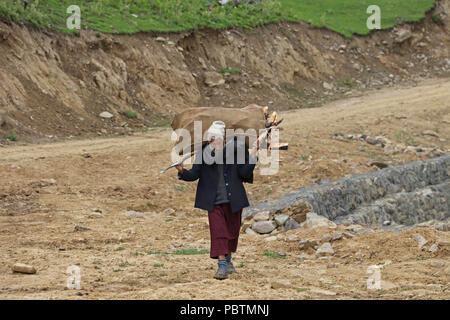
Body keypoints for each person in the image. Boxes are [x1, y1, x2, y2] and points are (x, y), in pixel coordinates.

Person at [176, 121, 258, 280]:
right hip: (213, 201)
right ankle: (221, 266)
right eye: (212, 139)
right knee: (219, 232)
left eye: (218, 139)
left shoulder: (235, 152)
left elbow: (244, 173)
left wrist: (253, 156)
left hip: (234, 200)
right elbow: (194, 174)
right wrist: (182, 171)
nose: (215, 142)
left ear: (225, 138)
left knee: (232, 233)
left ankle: (228, 261)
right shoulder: (203, 153)